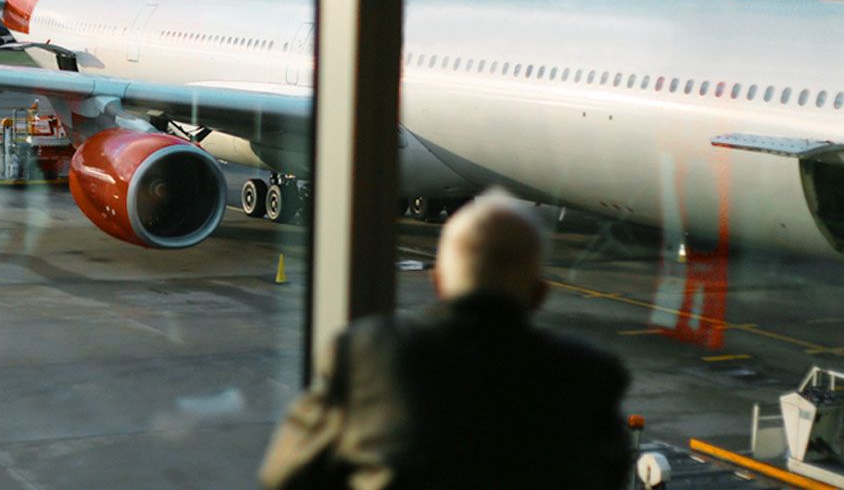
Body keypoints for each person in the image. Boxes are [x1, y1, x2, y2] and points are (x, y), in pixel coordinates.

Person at [260, 191, 630, 489]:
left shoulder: (367, 353)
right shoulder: (588, 376)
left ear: (437, 282)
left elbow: (285, 475)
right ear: (538, 295)